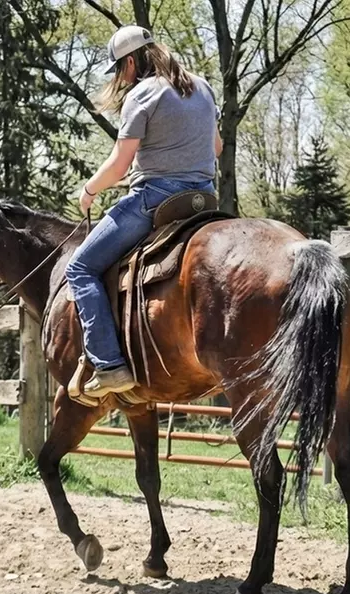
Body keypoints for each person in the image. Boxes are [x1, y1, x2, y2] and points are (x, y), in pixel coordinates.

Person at [65, 25, 223, 398]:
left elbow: (119, 166)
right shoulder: (202, 87)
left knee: (80, 268)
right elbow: (215, 148)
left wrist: (88, 190)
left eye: (119, 69)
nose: (120, 78)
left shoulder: (142, 94)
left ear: (131, 62)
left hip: (156, 200)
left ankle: (109, 365)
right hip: (203, 199)